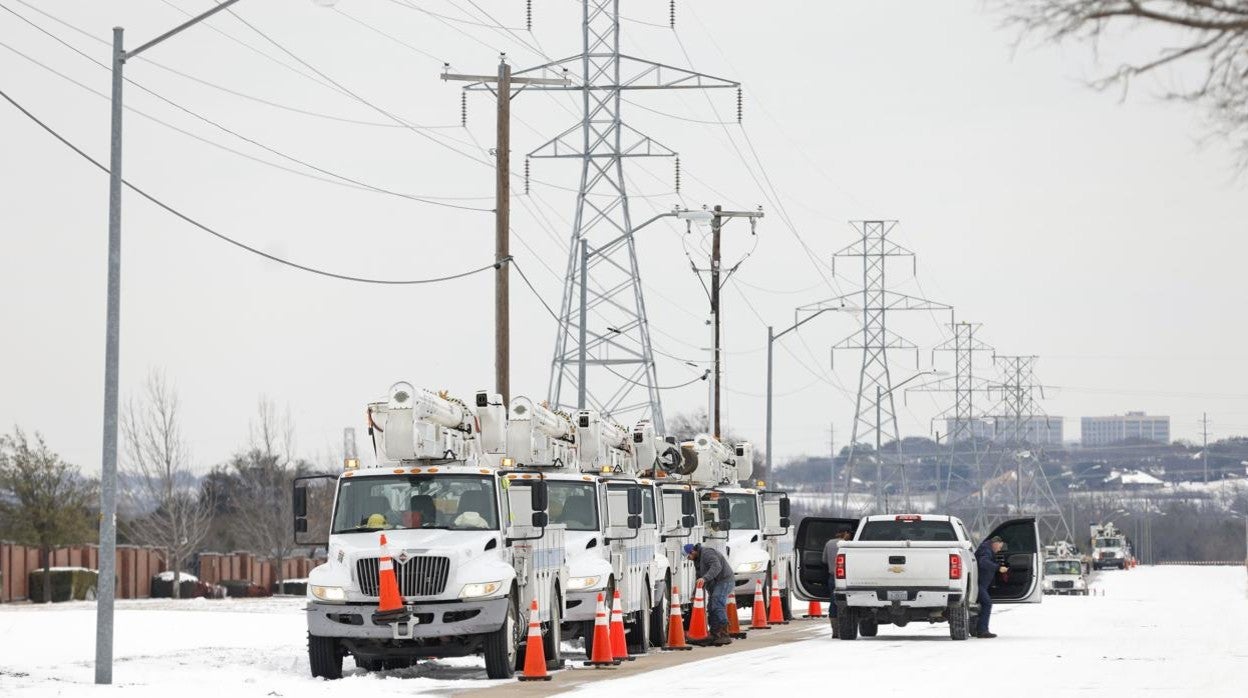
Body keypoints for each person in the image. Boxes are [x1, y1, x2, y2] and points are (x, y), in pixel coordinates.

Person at [684, 543, 734, 645]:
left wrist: (705, 578)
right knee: (711, 606)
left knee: (717, 602)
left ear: (692, 552)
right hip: (715, 583)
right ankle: (715, 634)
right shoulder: (697, 560)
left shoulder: (707, 553)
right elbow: (699, 578)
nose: (688, 558)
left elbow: (716, 566)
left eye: (688, 556)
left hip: (724, 580)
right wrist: (695, 593)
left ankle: (724, 634)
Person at [974, 535, 1009, 639]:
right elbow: (983, 562)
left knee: (982, 605)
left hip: (981, 584)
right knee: (987, 603)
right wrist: (998, 568)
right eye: (999, 547)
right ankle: (982, 631)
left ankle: (978, 629)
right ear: (995, 543)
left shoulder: (987, 549)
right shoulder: (986, 549)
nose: (999, 550)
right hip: (978, 584)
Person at [823, 531, 852, 636]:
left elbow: (824, 560)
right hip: (846, 578)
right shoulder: (847, 545)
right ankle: (844, 626)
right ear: (845, 533)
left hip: (832, 577)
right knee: (846, 603)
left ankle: (835, 631)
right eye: (849, 534)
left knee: (833, 602)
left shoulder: (829, 543)